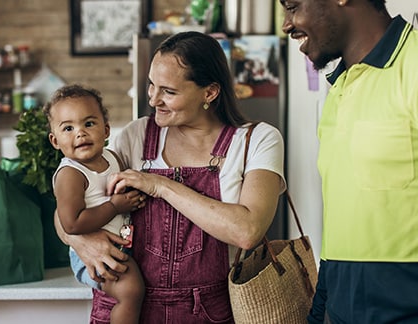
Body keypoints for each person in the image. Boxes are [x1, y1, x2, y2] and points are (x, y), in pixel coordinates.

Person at [55, 32, 286, 323]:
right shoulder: (136, 136)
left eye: (169, 92)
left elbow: (248, 231)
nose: (153, 100)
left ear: (209, 92)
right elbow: (68, 213)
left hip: (207, 314)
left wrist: (159, 185)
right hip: (126, 309)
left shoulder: (257, 140)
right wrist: (80, 241)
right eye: (151, 85)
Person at [279, 0, 418, 323]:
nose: (286, 24)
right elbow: (346, 223)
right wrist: (321, 304)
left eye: (293, 6)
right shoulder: (339, 87)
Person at [45, 84, 145, 324]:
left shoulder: (112, 157)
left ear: (106, 129)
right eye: (68, 128)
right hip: (91, 257)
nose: (80, 133)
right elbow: (71, 223)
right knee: (131, 291)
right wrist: (116, 206)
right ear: (55, 140)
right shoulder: (70, 174)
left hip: (120, 244)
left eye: (89, 124)